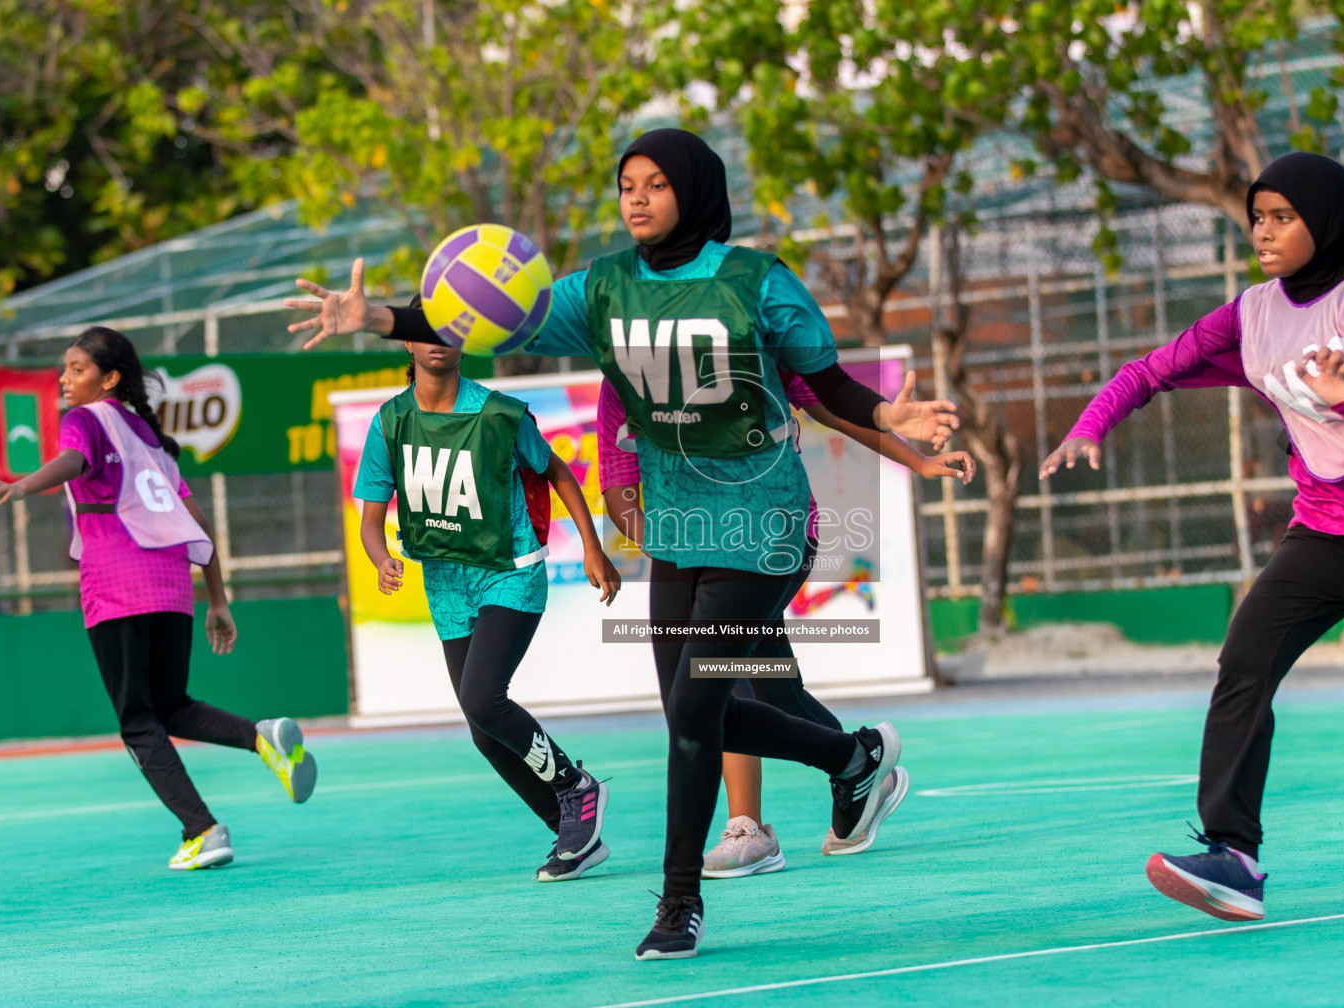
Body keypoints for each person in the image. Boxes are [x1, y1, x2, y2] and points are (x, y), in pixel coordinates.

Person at [284, 128, 959, 959]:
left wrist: (893, 416)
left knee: (694, 711)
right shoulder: (603, 288)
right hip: (677, 532)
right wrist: (376, 317)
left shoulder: (758, 283)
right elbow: (484, 319)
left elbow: (827, 388)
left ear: (695, 192)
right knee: (690, 709)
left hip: (764, 528)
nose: (635, 198)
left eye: (654, 184)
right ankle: (851, 759)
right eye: (625, 185)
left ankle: (680, 904)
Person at [1042, 152, 1344, 923]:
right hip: (1322, 534)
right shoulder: (1252, 311)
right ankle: (1233, 857)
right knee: (1245, 662)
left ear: (1321, 223)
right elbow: (1151, 369)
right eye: (1257, 216)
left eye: (1282, 217)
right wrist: (1091, 424)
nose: (1263, 231)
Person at [599, 373, 974, 877]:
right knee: (774, 688)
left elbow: (834, 409)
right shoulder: (621, 371)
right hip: (689, 545)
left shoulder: (752, 343)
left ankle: (747, 827)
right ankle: (863, 769)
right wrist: (675, 549)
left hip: (775, 534)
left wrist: (918, 459)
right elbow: (619, 484)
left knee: (712, 682)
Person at [0, 327, 316, 871]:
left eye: (78, 369)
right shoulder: (145, 434)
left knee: (137, 720)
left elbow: (72, 462)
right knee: (170, 705)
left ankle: (201, 830)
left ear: (109, 378)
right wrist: (218, 599)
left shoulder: (83, 420)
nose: (66, 379)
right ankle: (261, 737)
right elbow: (195, 519)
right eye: (64, 369)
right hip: (173, 584)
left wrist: (21, 485)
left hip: (117, 585)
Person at [350, 306, 621, 882]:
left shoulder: (499, 414)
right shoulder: (390, 422)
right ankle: (571, 831)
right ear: (406, 347)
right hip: (446, 583)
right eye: (422, 333)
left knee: (482, 698)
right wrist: (381, 560)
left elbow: (559, 473)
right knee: (482, 729)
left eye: (447, 332)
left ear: (463, 345)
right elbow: (371, 518)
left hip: (510, 571)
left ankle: (577, 787)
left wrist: (593, 547)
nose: (436, 342)